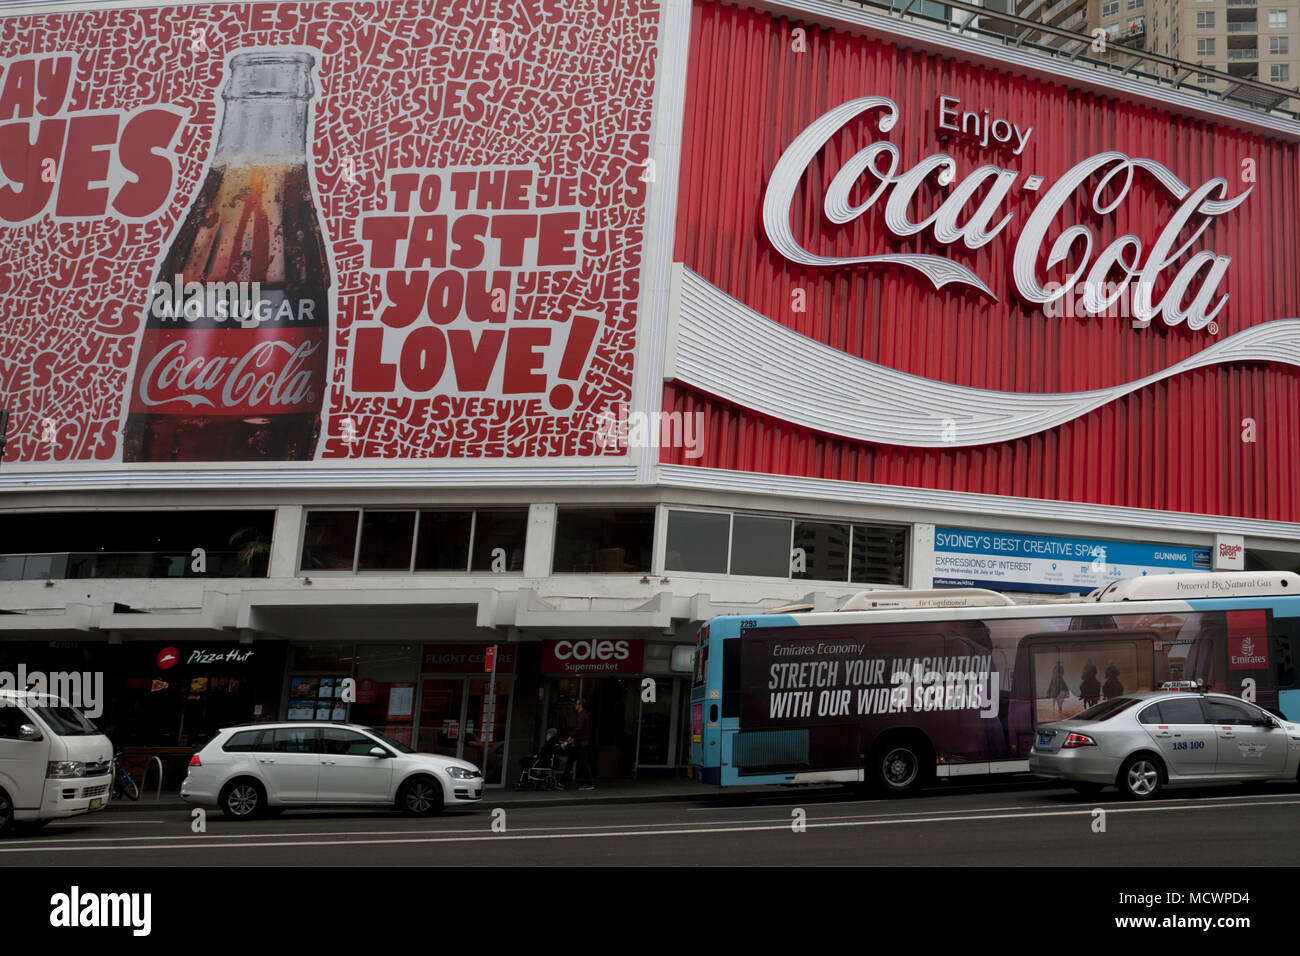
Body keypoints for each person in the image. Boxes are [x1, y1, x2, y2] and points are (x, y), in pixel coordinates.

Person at [563, 698, 596, 790]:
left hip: (581, 743)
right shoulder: (584, 714)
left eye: (576, 704)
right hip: (580, 742)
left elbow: (578, 729)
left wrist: (570, 738)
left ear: (580, 705)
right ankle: (563, 781)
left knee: (584, 762)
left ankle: (590, 783)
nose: (575, 706)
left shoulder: (582, 715)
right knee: (571, 760)